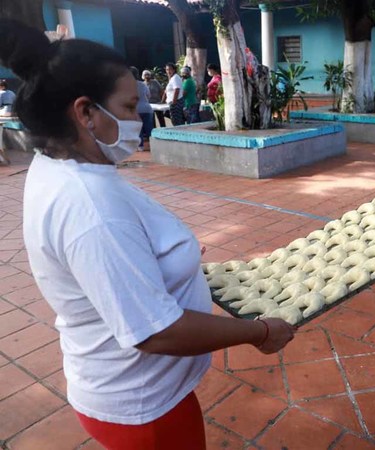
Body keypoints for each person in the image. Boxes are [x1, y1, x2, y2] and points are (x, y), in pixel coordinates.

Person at [0, 18, 295, 449]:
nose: (138, 117)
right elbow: (156, 333)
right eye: (126, 106)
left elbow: (117, 265)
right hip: (142, 409)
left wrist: (174, 264)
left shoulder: (65, 165)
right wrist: (261, 333)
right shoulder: (90, 209)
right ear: (86, 113)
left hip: (143, 395)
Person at [130, 67, 153, 151]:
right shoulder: (143, 84)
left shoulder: (128, 86)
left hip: (136, 109)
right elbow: (148, 95)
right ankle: (155, 144)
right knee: (149, 128)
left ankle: (140, 146)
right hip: (147, 108)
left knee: (138, 129)